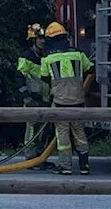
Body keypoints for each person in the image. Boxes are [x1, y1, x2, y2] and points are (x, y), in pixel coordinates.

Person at [39, 21, 92, 174]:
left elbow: (44, 78)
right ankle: (84, 166)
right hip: (78, 100)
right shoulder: (78, 54)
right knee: (79, 132)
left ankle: (66, 167)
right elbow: (91, 68)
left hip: (60, 101)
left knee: (62, 135)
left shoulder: (48, 58)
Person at [17, 23, 54, 168]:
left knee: (44, 130)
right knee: (32, 129)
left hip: (45, 99)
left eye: (44, 38)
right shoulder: (27, 57)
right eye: (39, 39)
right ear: (33, 40)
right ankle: (30, 157)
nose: (42, 41)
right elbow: (19, 77)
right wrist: (26, 96)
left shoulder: (47, 56)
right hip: (32, 99)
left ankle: (40, 157)